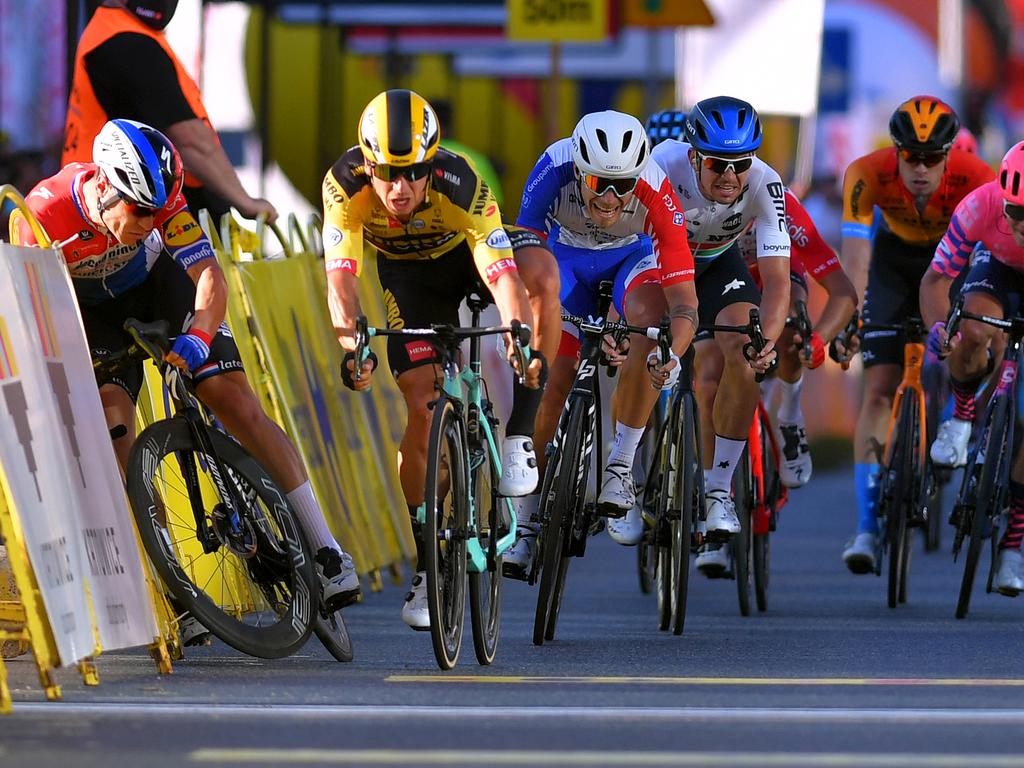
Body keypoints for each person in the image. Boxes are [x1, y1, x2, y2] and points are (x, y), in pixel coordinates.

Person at [11, 119, 360, 642]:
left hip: (161, 288)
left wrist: (198, 336)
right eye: (140, 212)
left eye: (159, 211)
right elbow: (32, 313)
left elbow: (209, 278)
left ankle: (325, 547)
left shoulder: (162, 203)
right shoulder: (42, 215)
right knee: (116, 429)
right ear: (105, 187)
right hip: (90, 312)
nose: (152, 221)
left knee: (233, 400)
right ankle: (174, 584)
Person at [323, 89, 560, 627]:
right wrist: (353, 346)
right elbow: (341, 279)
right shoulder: (344, 185)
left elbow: (501, 273)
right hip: (408, 280)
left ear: (432, 164)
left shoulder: (462, 182)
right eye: (385, 172)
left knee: (540, 275)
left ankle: (521, 430)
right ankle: (430, 564)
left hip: (467, 255)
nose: (399, 188)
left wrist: (519, 336)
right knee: (424, 409)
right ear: (366, 163)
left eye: (413, 173)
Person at [507, 109, 699, 562]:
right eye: (598, 185)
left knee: (652, 328)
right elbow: (525, 260)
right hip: (567, 260)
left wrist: (672, 352)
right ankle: (526, 518)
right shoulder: (553, 167)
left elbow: (685, 302)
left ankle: (620, 466)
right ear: (579, 171)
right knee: (552, 379)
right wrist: (523, 323)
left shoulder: (654, 187)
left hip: (631, 261)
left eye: (623, 186)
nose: (611, 198)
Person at [839, 96, 994, 573]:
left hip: (953, 264)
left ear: (950, 154)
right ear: (896, 152)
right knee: (880, 388)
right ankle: (867, 527)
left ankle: (956, 418)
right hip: (892, 263)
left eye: (932, 158)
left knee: (967, 344)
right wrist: (851, 315)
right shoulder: (865, 172)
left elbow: (993, 260)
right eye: (911, 157)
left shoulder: (978, 175)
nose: (921, 168)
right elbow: (857, 257)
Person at [649, 97, 789, 570]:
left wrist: (765, 343)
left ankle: (717, 490)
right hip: (656, 261)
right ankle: (622, 457)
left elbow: (777, 279)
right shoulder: (662, 165)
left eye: (740, 164)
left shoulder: (767, 183)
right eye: (716, 164)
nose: (729, 176)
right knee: (640, 341)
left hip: (715, 265)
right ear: (693, 157)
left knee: (745, 350)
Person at [62, 0, 275, 223]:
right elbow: (191, 141)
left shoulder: (120, 32)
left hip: (115, 208)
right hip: (120, 213)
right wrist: (246, 202)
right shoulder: (124, 42)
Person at [921, 142, 1024, 594]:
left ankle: (1013, 548)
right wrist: (940, 329)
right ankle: (961, 418)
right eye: (1016, 214)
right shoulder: (979, 206)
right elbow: (937, 279)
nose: (1022, 226)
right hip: (994, 269)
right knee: (972, 327)